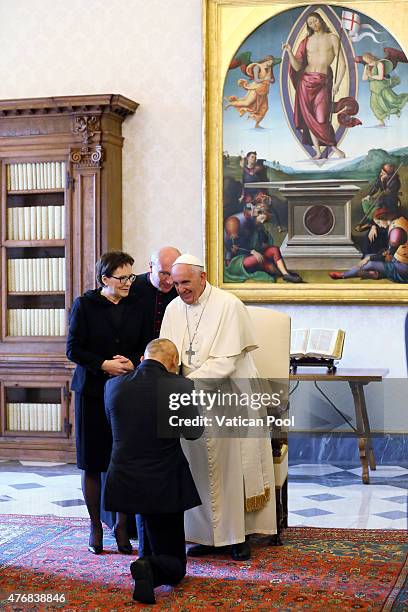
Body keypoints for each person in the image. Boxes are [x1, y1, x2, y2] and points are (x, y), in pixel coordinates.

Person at [160, 254, 277, 561]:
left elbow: (226, 362)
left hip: (230, 396)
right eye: (175, 283)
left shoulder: (229, 305)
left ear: (203, 276)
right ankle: (206, 537)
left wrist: (185, 386)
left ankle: (237, 537)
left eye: (186, 282)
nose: (181, 290)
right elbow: (168, 353)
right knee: (195, 466)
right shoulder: (173, 308)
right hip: (190, 399)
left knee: (232, 468)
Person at [104, 339, 203, 604]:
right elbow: (194, 433)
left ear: (143, 357)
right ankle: (151, 568)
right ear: (173, 362)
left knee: (146, 520)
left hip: (125, 480)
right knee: (176, 568)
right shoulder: (178, 386)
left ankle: (145, 566)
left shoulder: (113, 385)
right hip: (165, 481)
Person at [66, 251, 146, 555]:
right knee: (93, 461)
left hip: (125, 391)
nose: (129, 283)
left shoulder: (136, 305)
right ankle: (96, 526)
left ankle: (122, 527)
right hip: (91, 392)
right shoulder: (84, 305)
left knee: (121, 460)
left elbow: (144, 344)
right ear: (104, 279)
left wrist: (133, 360)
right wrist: (103, 364)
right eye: (122, 278)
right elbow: (73, 350)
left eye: (131, 277)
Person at [283, 12, 346, 158]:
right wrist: (290, 52)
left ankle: (333, 147)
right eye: (310, 23)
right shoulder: (306, 41)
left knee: (321, 117)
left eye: (315, 21)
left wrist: (337, 84)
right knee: (309, 118)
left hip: (323, 82)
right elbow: (297, 67)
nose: (313, 25)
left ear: (321, 20)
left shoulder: (332, 38)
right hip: (305, 82)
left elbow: (342, 63)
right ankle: (318, 151)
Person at [224, 199, 302, 283]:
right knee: (259, 258)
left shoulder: (258, 227)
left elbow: (262, 243)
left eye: (264, 213)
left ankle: (286, 274)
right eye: (260, 213)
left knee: (274, 249)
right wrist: (252, 251)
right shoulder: (237, 223)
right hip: (236, 260)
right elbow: (234, 247)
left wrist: (263, 245)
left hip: (253, 254)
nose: (263, 219)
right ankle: (280, 273)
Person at [330, 208, 408, 282]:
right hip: (397, 261)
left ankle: (343, 275)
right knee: (369, 256)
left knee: (370, 263)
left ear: (384, 218)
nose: (379, 226)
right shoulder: (399, 220)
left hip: (403, 268)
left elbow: (388, 258)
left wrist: (368, 259)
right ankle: (375, 274)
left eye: (378, 223)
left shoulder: (396, 232)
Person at [130, 246, 180, 339]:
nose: (169, 281)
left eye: (174, 274)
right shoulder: (130, 287)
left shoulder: (181, 292)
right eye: (164, 273)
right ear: (151, 267)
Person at [356, 163, 402, 256]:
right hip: (381, 201)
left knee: (380, 212)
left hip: (390, 203)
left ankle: (373, 222)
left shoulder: (395, 181)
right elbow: (376, 187)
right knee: (365, 202)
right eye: (381, 171)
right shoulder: (381, 177)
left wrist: (384, 182)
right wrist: (369, 196)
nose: (381, 173)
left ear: (388, 174)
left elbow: (387, 192)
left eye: (383, 172)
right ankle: (372, 221)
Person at [225, 56, 280, 128]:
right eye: (270, 62)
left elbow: (270, 79)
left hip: (264, 90)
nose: (270, 64)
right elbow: (257, 80)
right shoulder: (257, 67)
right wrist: (265, 79)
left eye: (272, 63)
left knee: (265, 108)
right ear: (266, 60)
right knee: (247, 102)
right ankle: (230, 104)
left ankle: (257, 124)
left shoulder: (269, 68)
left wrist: (270, 80)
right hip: (256, 88)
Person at [361, 52, 408, 126]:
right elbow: (364, 78)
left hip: (382, 87)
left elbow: (380, 77)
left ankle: (406, 97)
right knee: (373, 105)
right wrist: (366, 74)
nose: (366, 61)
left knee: (392, 99)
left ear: (370, 57)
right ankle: (381, 122)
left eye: (366, 59)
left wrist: (371, 76)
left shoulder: (379, 64)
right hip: (373, 88)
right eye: (364, 60)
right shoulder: (366, 66)